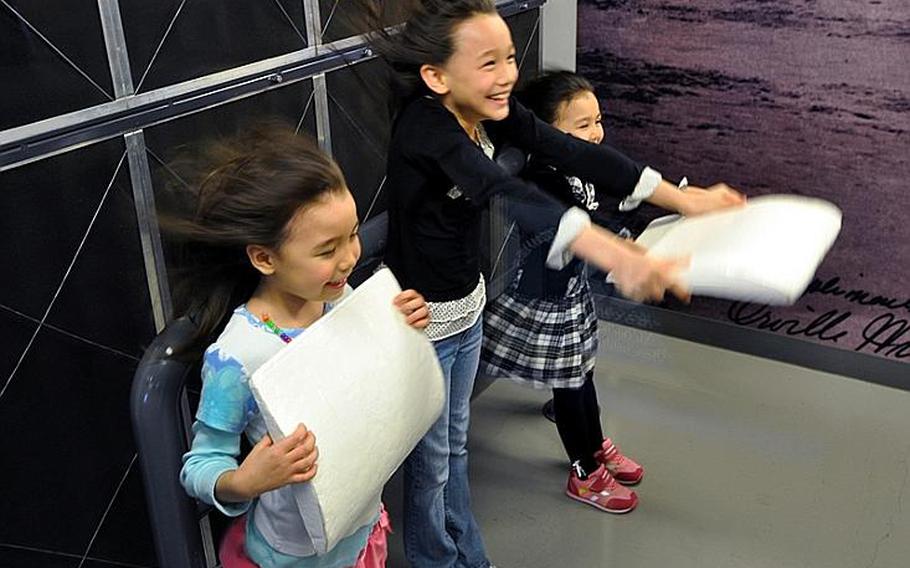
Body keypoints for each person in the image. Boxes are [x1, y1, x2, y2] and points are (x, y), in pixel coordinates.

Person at [360, 1, 745, 565]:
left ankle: (465, 555)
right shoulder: (426, 127)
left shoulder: (487, 108)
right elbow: (503, 189)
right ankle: (438, 559)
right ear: (436, 76)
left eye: (510, 57)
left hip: (466, 306)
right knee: (434, 461)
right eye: (488, 62)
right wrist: (617, 254)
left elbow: (569, 150)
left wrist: (686, 199)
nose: (508, 74)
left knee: (455, 449)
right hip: (427, 322)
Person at [481, 70, 744, 514]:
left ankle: (593, 442)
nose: (595, 133)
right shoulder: (541, 175)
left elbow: (614, 190)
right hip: (545, 300)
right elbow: (582, 223)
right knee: (570, 383)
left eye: (598, 120)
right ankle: (584, 469)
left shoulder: (577, 165)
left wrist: (666, 204)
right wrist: (626, 244)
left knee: (581, 373)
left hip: (569, 294)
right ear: (549, 134)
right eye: (581, 126)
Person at [170, 126, 430, 568]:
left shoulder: (339, 298)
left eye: (352, 235)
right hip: (292, 556)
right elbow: (201, 465)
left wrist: (401, 330)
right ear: (265, 258)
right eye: (327, 249)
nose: (349, 258)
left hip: (360, 528)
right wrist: (245, 480)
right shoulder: (238, 355)